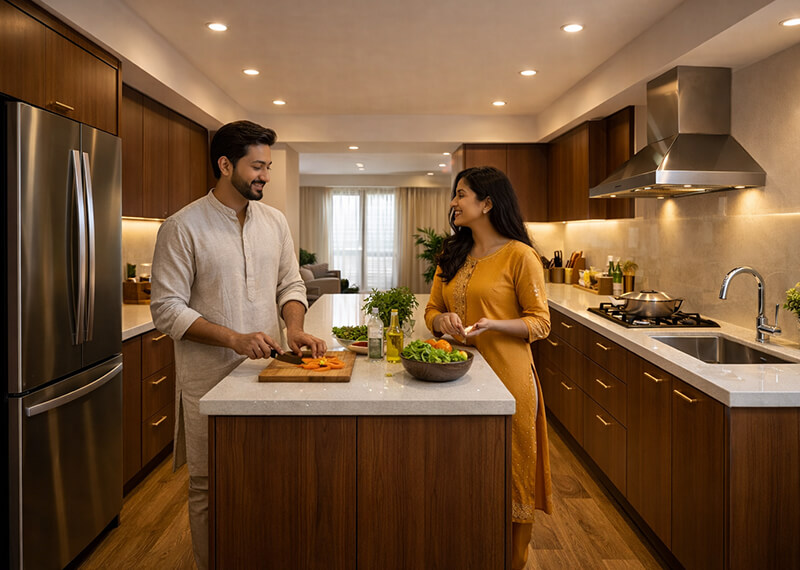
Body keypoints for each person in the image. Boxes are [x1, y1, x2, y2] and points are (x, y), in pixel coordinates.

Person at [150, 120, 326, 569]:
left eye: (268, 166)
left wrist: (294, 328)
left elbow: (291, 285)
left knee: (267, 479)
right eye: (257, 166)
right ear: (225, 164)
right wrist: (234, 339)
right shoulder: (182, 226)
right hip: (207, 380)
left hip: (269, 375)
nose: (265, 174)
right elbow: (166, 309)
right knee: (209, 486)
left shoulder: (275, 222)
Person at [424, 166, 553, 570]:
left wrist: (494, 324)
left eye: (461, 194)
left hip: (508, 378)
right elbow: (432, 308)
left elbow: (541, 322)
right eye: (455, 194)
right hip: (453, 375)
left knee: (509, 471)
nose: (454, 202)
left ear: (487, 203)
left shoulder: (520, 255)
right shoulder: (451, 252)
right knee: (462, 467)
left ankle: (511, 560)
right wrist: (439, 321)